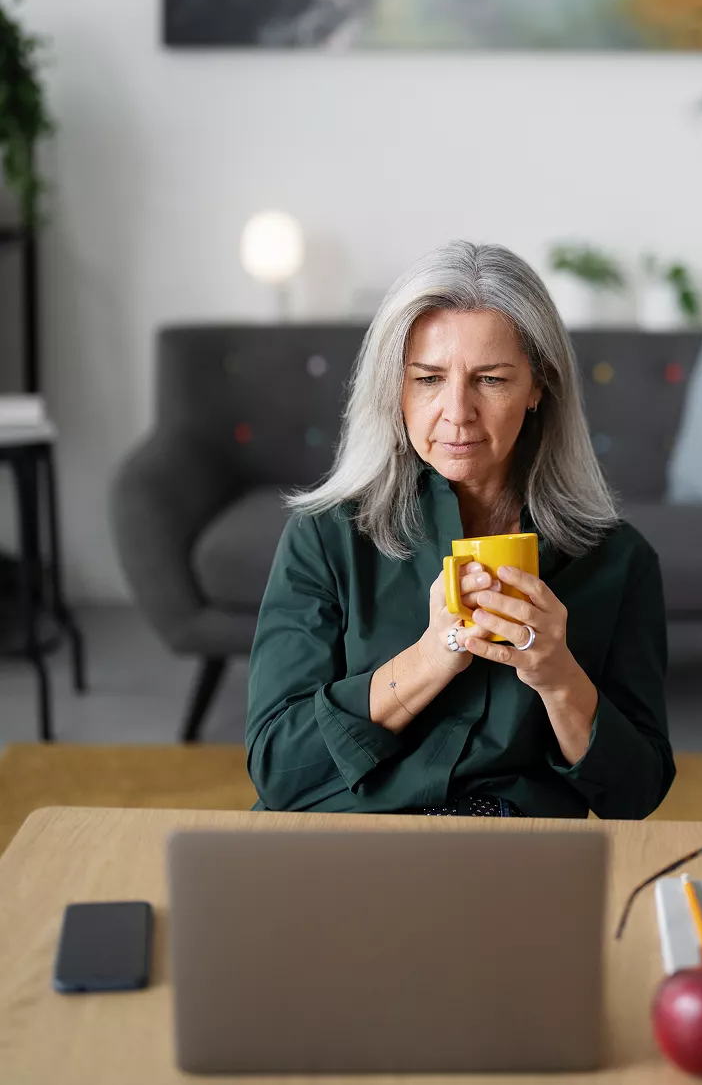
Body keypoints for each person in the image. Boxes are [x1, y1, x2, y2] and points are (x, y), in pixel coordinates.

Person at [246, 240, 674, 819]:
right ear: (395, 389)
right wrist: (431, 657)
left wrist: (557, 676)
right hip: (349, 845)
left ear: (537, 388)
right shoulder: (325, 539)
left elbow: (636, 796)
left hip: (515, 858)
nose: (457, 411)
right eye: (427, 379)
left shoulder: (618, 560)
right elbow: (278, 770)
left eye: (491, 380)